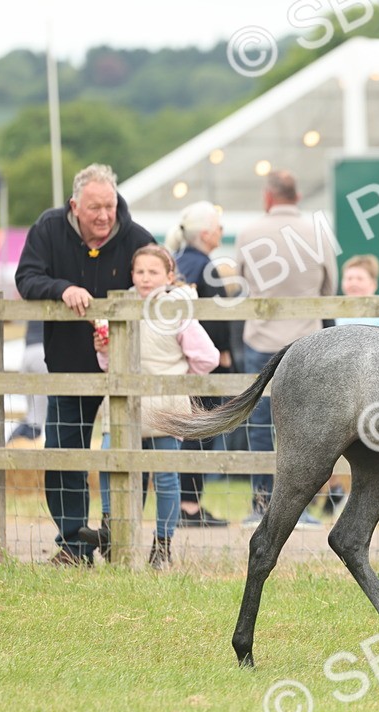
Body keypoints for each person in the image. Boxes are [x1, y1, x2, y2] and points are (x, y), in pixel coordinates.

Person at [14, 163, 155, 566]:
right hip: (69, 364)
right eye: (95, 208)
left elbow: (162, 276)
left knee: (129, 452)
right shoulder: (48, 229)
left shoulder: (135, 237)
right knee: (64, 454)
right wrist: (63, 289)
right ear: (75, 206)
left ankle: (118, 538)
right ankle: (74, 543)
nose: (104, 216)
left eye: (110, 206)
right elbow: (26, 278)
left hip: (123, 371)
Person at [89, 245, 219, 568]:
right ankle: (111, 531)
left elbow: (208, 357)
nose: (145, 279)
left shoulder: (176, 310)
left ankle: (162, 545)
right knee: (110, 463)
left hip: (164, 403)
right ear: (131, 274)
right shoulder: (119, 306)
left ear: (169, 276)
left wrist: (179, 380)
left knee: (165, 476)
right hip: (123, 404)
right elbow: (108, 364)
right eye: (140, 272)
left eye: (153, 272)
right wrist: (103, 349)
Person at [237, 170, 337, 529]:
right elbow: (329, 290)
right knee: (308, 430)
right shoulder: (318, 233)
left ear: (268, 197)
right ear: (296, 197)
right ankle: (300, 509)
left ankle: (262, 502)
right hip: (306, 344)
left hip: (261, 340)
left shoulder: (248, 233)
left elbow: (242, 287)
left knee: (262, 425)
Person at [165, 201, 233, 528]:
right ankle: (189, 504)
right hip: (201, 367)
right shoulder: (197, 265)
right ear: (206, 233)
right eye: (218, 227)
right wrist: (219, 351)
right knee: (200, 429)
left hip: (199, 362)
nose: (221, 231)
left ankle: (189, 501)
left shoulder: (188, 262)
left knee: (197, 429)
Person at [7, 319, 46, 442]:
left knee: (32, 407)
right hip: (43, 350)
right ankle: (33, 429)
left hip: (28, 351)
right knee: (40, 407)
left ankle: (27, 428)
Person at [336, 254, 379, 328]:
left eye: (360, 278)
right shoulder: (334, 311)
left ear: (373, 284)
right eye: (349, 278)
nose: (353, 283)